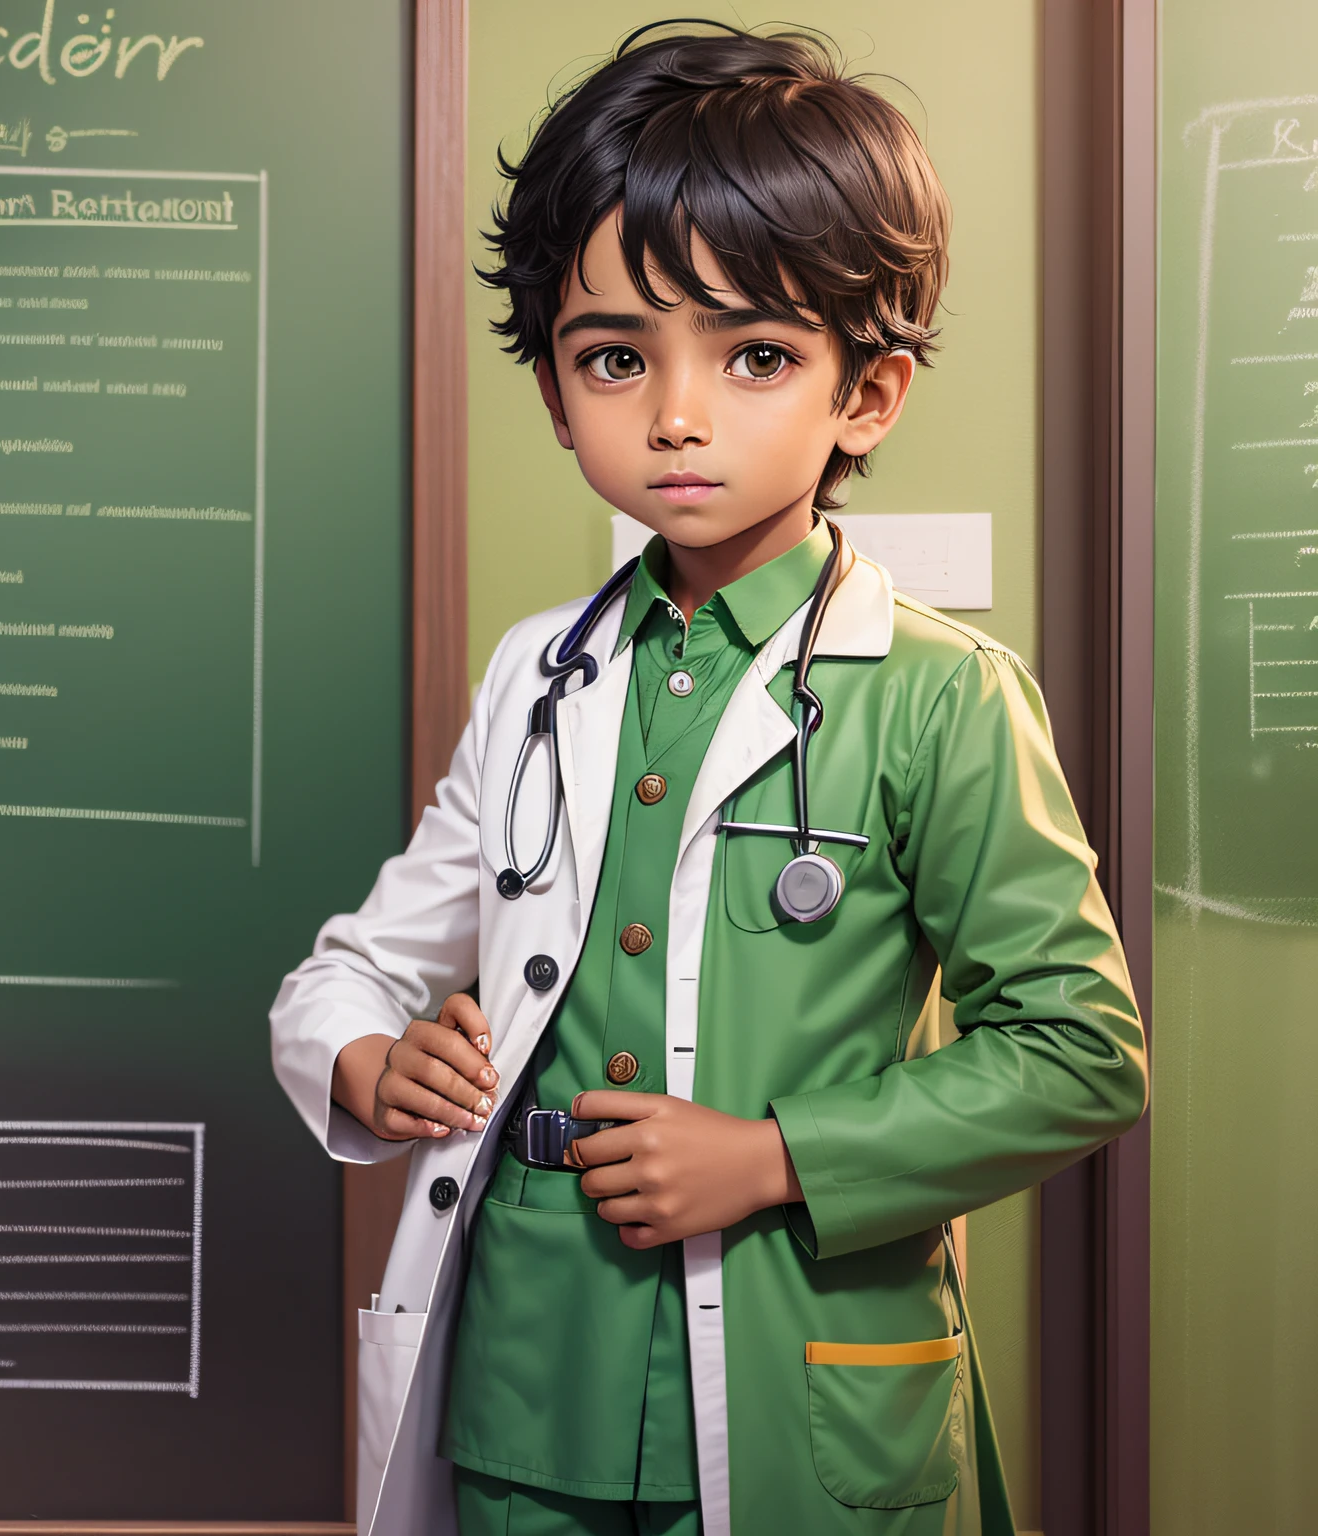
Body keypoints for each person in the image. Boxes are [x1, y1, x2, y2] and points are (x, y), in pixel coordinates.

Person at [269, 23, 1146, 1536]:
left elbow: (1081, 1052)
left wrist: (773, 1156)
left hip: (800, 1390)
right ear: (554, 390)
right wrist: (363, 1061)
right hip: (520, 1385)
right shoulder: (537, 674)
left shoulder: (941, 698)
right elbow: (352, 969)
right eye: (616, 356)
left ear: (867, 394)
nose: (676, 415)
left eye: (754, 356)